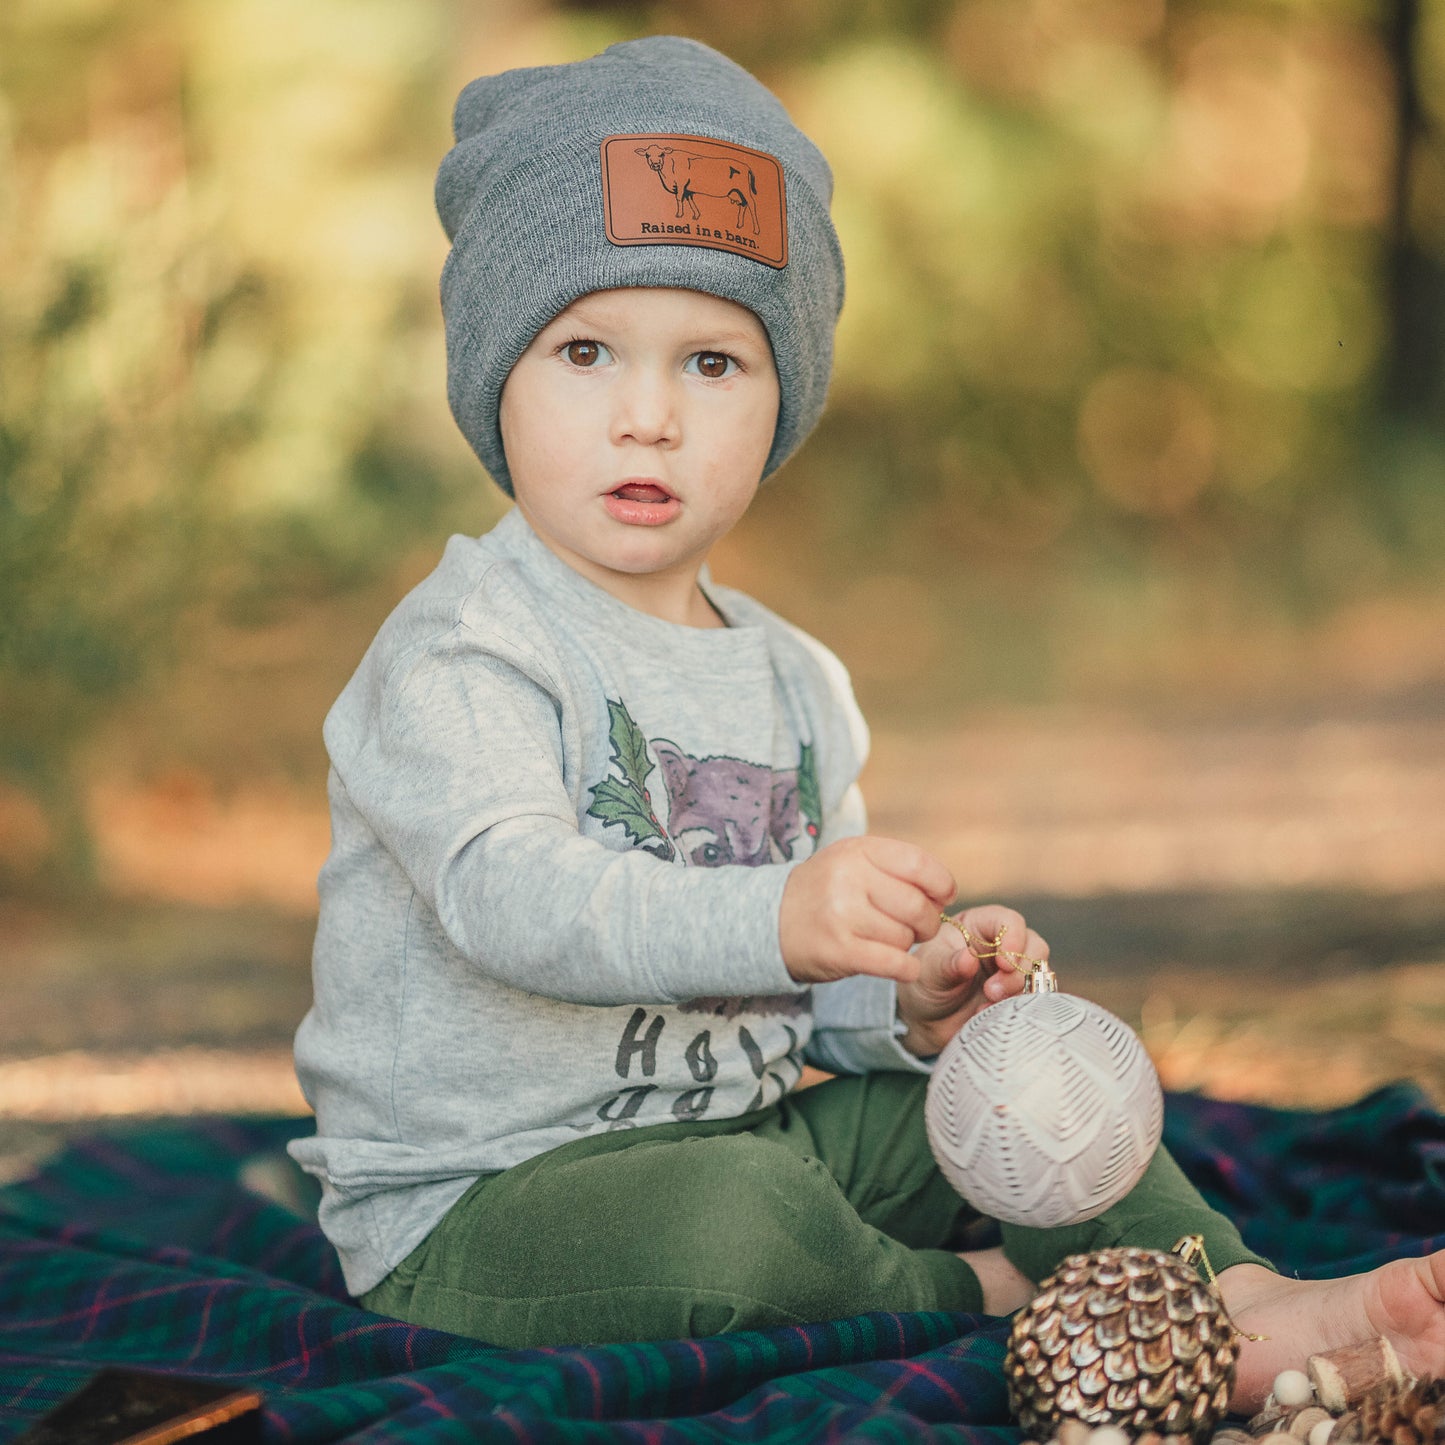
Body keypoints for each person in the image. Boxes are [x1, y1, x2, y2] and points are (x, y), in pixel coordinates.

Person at [288, 35, 1445, 1410]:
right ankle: (990, 1292)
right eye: (585, 350)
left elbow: (802, 1003)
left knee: (1030, 1084)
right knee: (733, 1222)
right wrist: (781, 911)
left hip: (764, 1119)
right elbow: (509, 897)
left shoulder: (793, 680)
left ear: (785, 399)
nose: (646, 415)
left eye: (712, 363)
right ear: (495, 377)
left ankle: (1229, 1292)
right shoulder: (462, 646)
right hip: (492, 1196)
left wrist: (907, 996)